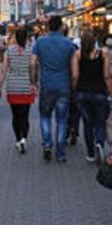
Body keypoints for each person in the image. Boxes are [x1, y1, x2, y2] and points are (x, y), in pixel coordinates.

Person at [31, 15, 78, 162]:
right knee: (62, 120)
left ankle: (46, 144)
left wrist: (34, 82)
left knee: (45, 116)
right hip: (64, 86)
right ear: (61, 27)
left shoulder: (40, 42)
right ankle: (60, 152)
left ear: (48, 27)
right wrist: (73, 86)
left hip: (46, 85)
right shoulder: (69, 44)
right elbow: (75, 70)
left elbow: (33, 63)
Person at [72, 29, 112, 163]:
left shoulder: (77, 54)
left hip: (83, 93)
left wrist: (74, 90)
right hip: (100, 92)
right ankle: (100, 145)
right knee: (100, 122)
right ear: (95, 40)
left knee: (87, 123)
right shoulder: (103, 53)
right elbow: (107, 76)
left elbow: (75, 76)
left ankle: (90, 153)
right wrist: (111, 94)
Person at [0, 27, 36, 153]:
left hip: (13, 87)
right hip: (26, 87)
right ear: (26, 38)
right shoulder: (31, 51)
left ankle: (18, 140)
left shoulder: (8, 51)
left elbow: (3, 70)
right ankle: (24, 138)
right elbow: (32, 68)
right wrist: (34, 84)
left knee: (15, 116)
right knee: (25, 116)